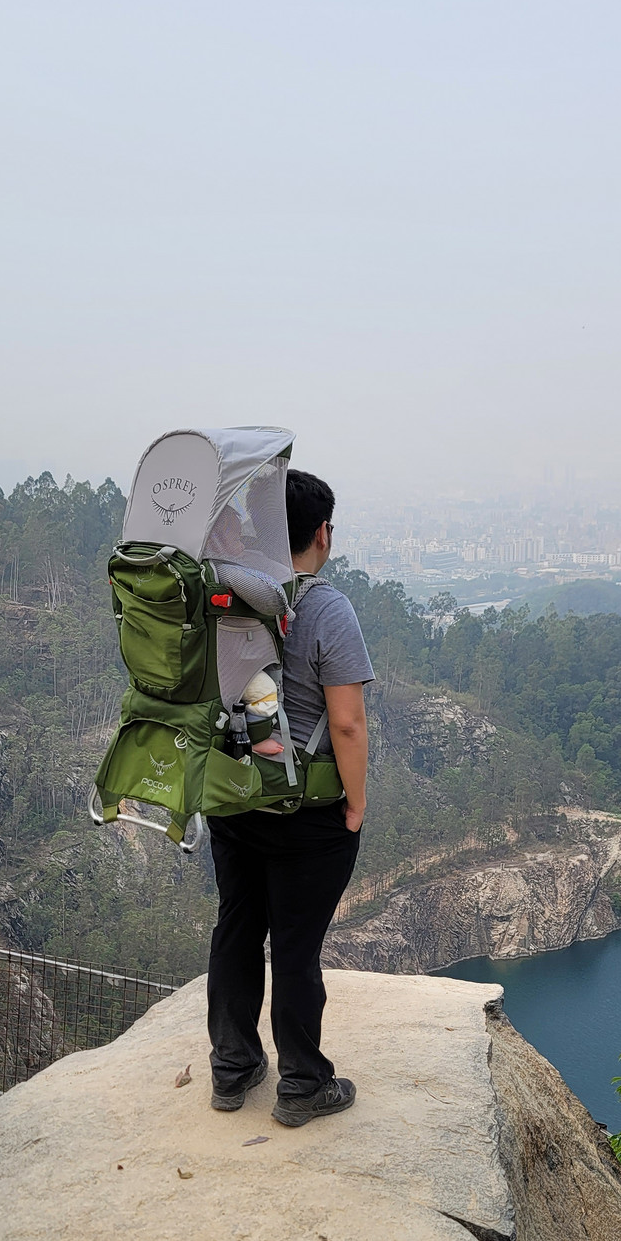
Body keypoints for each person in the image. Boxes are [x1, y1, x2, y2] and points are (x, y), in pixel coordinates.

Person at [206, 469, 372, 1127]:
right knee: (296, 949)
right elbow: (348, 723)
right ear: (322, 534)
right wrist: (354, 806)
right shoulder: (328, 608)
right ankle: (302, 1084)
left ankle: (232, 1069)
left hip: (230, 794)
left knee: (238, 927)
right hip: (306, 811)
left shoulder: (225, 591)